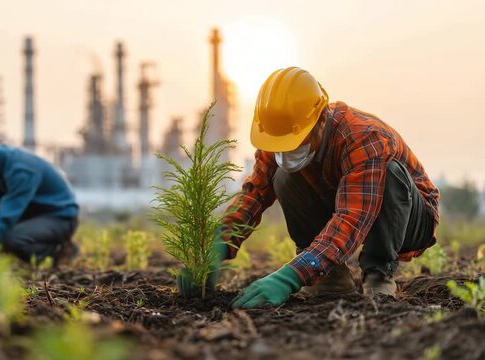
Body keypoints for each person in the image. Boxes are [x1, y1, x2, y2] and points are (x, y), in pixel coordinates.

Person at [177, 67, 440, 308]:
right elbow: (254, 194)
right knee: (283, 177)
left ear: (321, 120)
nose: (287, 150)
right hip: (340, 202)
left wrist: (291, 275)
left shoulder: (364, 137)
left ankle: (378, 275)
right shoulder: (276, 134)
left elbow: (352, 217)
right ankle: (331, 278)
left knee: (391, 173)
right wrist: (217, 244)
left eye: (297, 141)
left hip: (409, 218)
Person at [0, 128, 79, 265]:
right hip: (34, 212)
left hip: (60, 217)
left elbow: (6, 218)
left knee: (11, 239)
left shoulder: (20, 171)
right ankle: (15, 246)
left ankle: (60, 251)